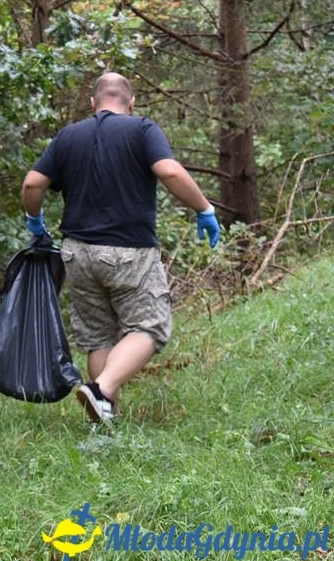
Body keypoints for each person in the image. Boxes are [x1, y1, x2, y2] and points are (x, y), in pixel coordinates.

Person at [21, 72, 220, 424]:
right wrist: (204, 208)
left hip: (77, 253)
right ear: (131, 103)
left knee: (99, 335)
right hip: (129, 251)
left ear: (93, 103)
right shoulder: (141, 129)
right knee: (151, 326)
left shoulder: (69, 136)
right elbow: (170, 172)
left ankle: (104, 417)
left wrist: (35, 221)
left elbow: (33, 184)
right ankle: (101, 391)